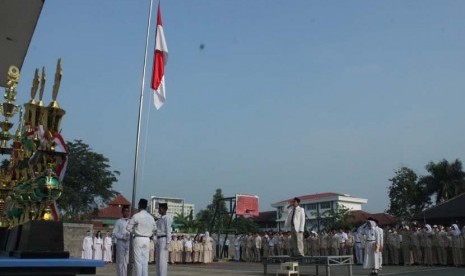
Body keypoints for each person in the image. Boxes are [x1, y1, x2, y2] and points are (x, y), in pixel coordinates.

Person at [127, 198, 156, 276]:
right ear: (146, 206)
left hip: (138, 238)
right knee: (145, 261)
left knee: (138, 261)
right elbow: (154, 228)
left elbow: (128, 228)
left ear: (139, 205)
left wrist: (135, 231)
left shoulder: (136, 216)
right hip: (147, 239)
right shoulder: (151, 217)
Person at [113, 206, 131, 276]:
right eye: (125, 211)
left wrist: (130, 235)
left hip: (129, 242)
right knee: (120, 261)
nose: (127, 213)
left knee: (126, 261)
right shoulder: (118, 221)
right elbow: (114, 233)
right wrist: (122, 236)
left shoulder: (131, 221)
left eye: (128, 211)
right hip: (121, 242)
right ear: (122, 212)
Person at [156, 203, 172, 276]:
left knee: (162, 260)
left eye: (160, 208)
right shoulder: (160, 219)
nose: (159, 210)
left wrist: (168, 243)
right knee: (158, 260)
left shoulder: (167, 218)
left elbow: (168, 231)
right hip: (159, 239)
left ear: (164, 209)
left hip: (163, 239)